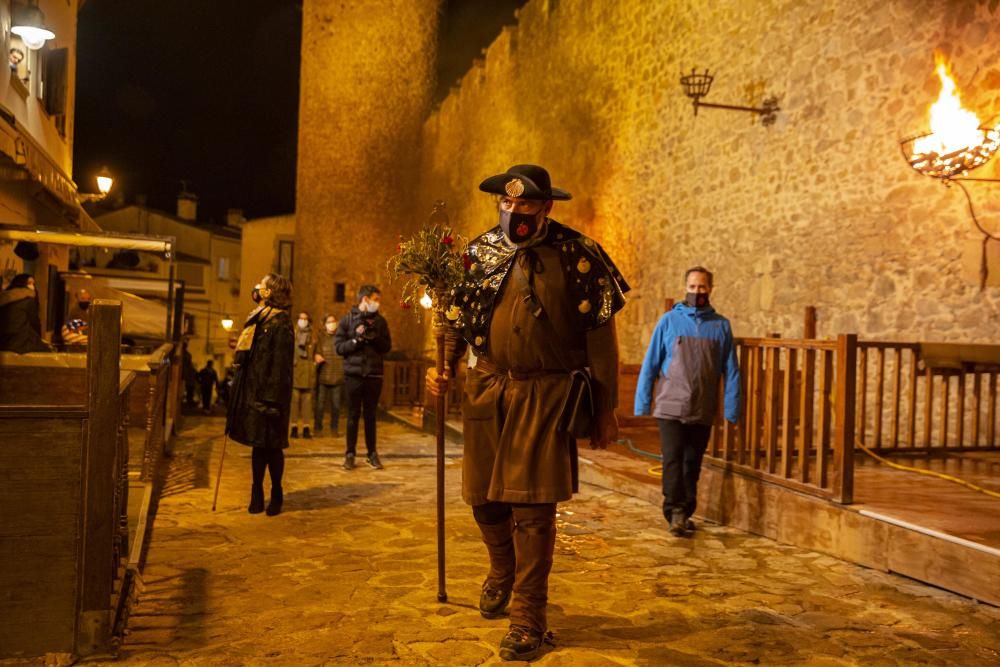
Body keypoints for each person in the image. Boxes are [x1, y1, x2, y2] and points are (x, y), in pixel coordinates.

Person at [426, 164, 629, 661]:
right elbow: (457, 318)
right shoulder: (477, 253)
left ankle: (528, 616)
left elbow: (601, 340)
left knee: (533, 509)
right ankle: (501, 569)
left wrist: (606, 407)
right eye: (507, 203)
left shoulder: (580, 256)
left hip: (547, 394)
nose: (513, 212)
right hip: (488, 387)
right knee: (484, 500)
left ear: (546, 207)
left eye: (525, 205)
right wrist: (443, 367)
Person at [633, 266, 741, 537]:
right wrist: (642, 402)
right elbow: (651, 363)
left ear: (711, 289)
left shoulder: (721, 326)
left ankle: (686, 510)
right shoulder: (668, 322)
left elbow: (731, 370)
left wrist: (732, 408)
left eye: (702, 287)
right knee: (672, 459)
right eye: (692, 287)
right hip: (670, 405)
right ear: (685, 288)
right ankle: (675, 512)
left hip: (702, 408)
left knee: (692, 462)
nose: (697, 292)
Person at [225, 273, 295, 516]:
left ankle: (276, 491)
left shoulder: (282, 323)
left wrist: (272, 399)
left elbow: (281, 365)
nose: (258, 287)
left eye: (263, 285)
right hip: (253, 390)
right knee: (257, 445)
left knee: (272, 447)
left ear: (270, 292)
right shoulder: (258, 317)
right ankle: (257, 491)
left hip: (271, 394)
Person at [335, 285, 391, 470]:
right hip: (354, 375)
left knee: (370, 416)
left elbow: (386, 347)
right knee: (352, 415)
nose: (378, 303)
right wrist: (356, 340)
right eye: (375, 299)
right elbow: (339, 348)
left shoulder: (380, 322)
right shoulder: (348, 320)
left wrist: (374, 337)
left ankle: (372, 453)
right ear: (365, 299)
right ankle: (349, 453)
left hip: (374, 375)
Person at [0, 274, 52, 353]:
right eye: (29, 283)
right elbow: (34, 322)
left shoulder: (5, 297)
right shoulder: (28, 299)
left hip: (3, 343)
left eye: (33, 284)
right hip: (19, 343)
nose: (32, 286)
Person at [314, 313, 345, 436]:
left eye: (333, 321)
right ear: (325, 324)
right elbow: (316, 352)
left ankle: (334, 428)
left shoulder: (341, 338)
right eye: (329, 322)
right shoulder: (321, 338)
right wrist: (317, 356)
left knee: (336, 406)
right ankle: (317, 428)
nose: (331, 324)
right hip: (323, 376)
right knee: (320, 406)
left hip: (337, 376)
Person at [290, 311, 319, 439]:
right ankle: (294, 427)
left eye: (305, 318)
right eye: (301, 318)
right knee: (294, 401)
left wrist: (314, 364)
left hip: (308, 372)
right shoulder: (292, 334)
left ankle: (307, 427)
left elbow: (316, 352)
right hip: (296, 370)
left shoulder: (312, 336)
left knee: (307, 402)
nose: (303, 320)